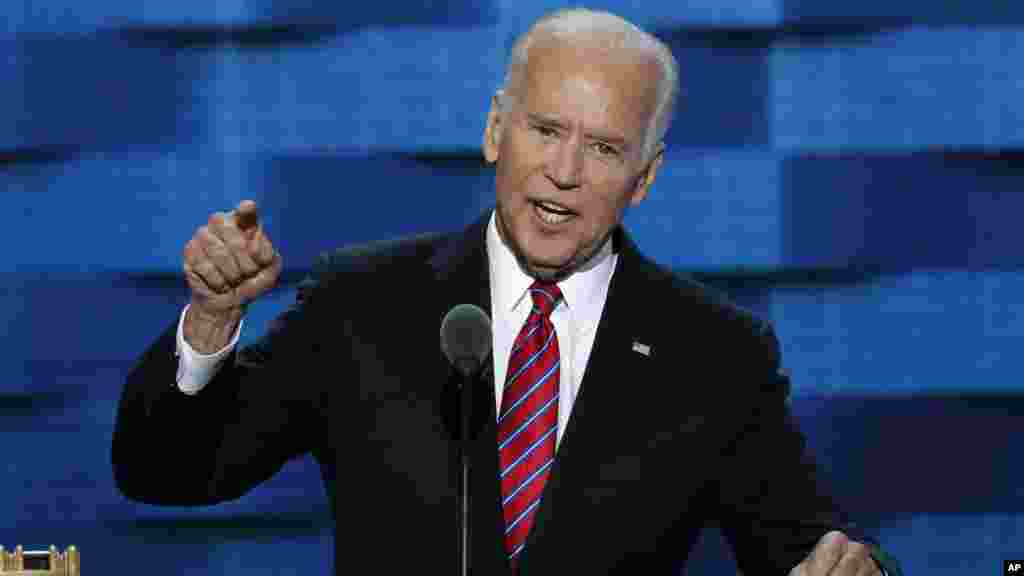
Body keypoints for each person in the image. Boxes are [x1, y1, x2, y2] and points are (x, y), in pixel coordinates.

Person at [113, 8, 900, 575]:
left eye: (603, 147)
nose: (564, 171)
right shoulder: (363, 305)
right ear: (496, 130)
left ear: (645, 179)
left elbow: (810, 550)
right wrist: (214, 319)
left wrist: (858, 570)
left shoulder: (715, 353)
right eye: (545, 130)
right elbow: (168, 472)